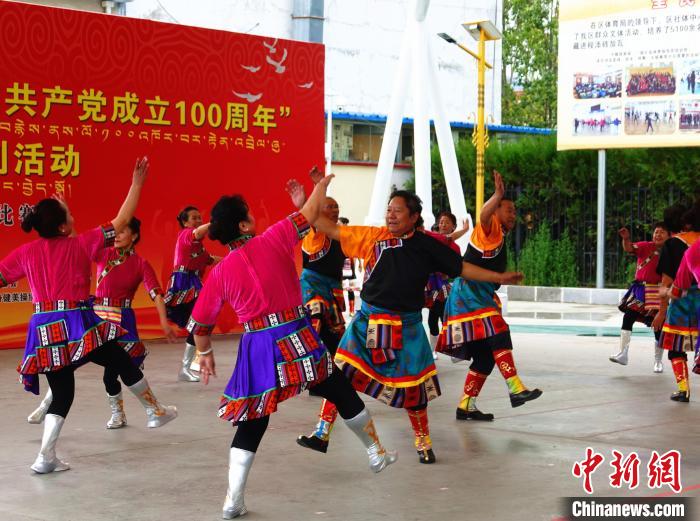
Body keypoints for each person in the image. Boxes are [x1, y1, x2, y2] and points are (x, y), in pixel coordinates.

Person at [189, 174, 397, 519]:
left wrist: (206, 355)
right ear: (243, 224)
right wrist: (320, 187)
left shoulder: (221, 272)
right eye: (248, 213)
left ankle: (232, 501)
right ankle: (376, 452)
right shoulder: (274, 238)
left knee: (253, 423)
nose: (253, 216)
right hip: (295, 336)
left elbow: (200, 326)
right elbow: (311, 214)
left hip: (256, 347)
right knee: (339, 390)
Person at [296, 187, 523, 465]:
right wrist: (305, 203)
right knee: (340, 375)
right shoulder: (373, 236)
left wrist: (498, 276)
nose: (390, 215)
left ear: (414, 217)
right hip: (368, 321)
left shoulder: (428, 246)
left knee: (414, 390)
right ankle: (321, 433)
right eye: (389, 210)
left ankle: (423, 443)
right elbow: (330, 229)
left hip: (408, 327)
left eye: (397, 211)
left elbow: (462, 268)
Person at [0, 158, 177, 474]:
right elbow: (123, 219)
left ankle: (45, 457)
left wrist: (62, 210)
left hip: (44, 328)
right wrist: (137, 184)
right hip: (76, 324)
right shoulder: (82, 244)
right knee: (121, 360)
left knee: (64, 392)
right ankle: (154, 411)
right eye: (69, 215)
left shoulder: (26, 252)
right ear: (63, 227)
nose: (73, 217)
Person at [26, 216, 178, 428]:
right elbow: (77, 245)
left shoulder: (141, 264)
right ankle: (46, 406)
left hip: (121, 321)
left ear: (134, 236)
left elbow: (157, 294)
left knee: (112, 374)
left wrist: (163, 321)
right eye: (116, 231)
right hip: (96, 316)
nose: (117, 235)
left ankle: (120, 414)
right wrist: (69, 220)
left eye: (123, 231)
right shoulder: (103, 253)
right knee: (65, 363)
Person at [437, 171, 542, 422]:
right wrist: (497, 195)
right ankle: (515, 388)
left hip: (477, 296)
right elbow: (483, 215)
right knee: (499, 331)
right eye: (509, 210)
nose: (513, 215)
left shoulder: (499, 236)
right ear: (496, 212)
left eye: (515, 211)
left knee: (485, 357)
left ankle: (466, 406)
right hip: (468, 295)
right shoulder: (489, 228)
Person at [164, 205, 219, 382]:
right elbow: (198, 232)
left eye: (199, 217)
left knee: (201, 323)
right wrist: (215, 223)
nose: (198, 220)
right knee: (200, 322)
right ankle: (188, 366)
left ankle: (191, 365)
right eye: (194, 218)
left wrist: (235, 258)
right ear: (185, 222)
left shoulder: (199, 248)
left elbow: (211, 259)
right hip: (183, 283)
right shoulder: (186, 234)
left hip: (194, 284)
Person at [652, 203, 700, 402]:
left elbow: (668, 282)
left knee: (676, 347)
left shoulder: (673, 245)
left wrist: (662, 311)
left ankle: (683, 389)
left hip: (682, 304)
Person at [610, 223, 670, 371]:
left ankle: (658, 361)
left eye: (662, 232)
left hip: (658, 291)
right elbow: (629, 248)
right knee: (628, 316)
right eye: (656, 232)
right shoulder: (645, 246)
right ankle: (623, 353)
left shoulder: (671, 252)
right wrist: (626, 238)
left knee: (657, 326)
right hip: (640, 290)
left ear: (669, 236)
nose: (658, 235)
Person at [424, 211, 470, 359]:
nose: (443, 224)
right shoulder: (432, 241)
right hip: (431, 287)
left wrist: (448, 275)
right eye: (441, 222)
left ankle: (455, 350)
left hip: (446, 288)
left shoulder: (455, 248)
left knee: (447, 319)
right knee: (432, 319)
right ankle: (433, 350)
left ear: (453, 227)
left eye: (447, 222)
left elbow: (457, 269)